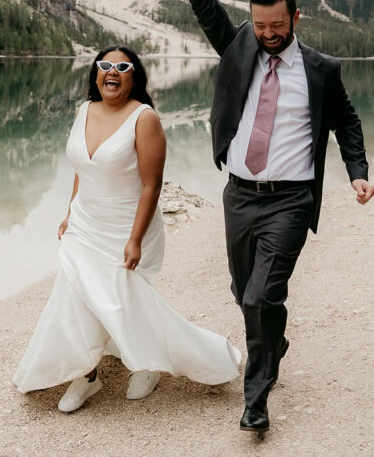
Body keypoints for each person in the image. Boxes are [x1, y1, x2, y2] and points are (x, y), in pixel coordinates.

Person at [156, 0, 374, 432]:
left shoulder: (321, 70)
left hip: (292, 200)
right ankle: (272, 341)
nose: (268, 34)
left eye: (277, 25)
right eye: (260, 26)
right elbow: (205, 4)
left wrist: (359, 171)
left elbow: (345, 121)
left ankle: (256, 401)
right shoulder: (239, 48)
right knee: (243, 291)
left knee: (261, 292)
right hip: (239, 195)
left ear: (295, 17)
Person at [13, 46, 242, 412]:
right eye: (105, 66)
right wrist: (70, 212)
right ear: (96, 73)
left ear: (134, 76)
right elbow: (82, 169)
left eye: (122, 66)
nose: (112, 72)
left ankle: (151, 364)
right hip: (85, 224)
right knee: (75, 294)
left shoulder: (144, 118)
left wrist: (135, 240)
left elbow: (152, 185)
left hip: (127, 225)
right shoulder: (83, 110)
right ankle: (85, 375)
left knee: (122, 300)